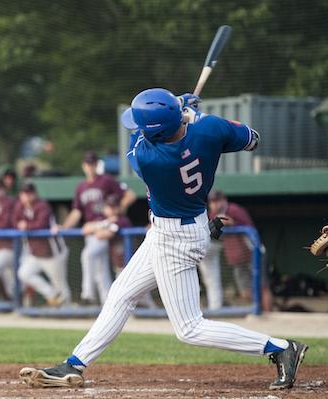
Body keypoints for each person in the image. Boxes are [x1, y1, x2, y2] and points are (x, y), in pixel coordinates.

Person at [20, 88, 307, 390]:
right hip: (178, 226)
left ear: (155, 132)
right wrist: (193, 116)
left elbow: (141, 139)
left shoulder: (149, 159)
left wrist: (182, 111)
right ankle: (75, 364)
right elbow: (252, 139)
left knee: (189, 328)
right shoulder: (209, 129)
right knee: (121, 293)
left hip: (176, 238)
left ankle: (279, 347)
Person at [53, 151, 136, 305]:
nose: (90, 167)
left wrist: (118, 211)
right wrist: (64, 226)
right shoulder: (81, 187)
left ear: (97, 165)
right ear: (84, 166)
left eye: (93, 163)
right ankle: (109, 305)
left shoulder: (107, 180)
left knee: (88, 255)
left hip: (105, 228)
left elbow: (130, 195)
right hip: (92, 230)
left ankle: (87, 292)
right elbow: (77, 212)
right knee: (101, 272)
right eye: (88, 164)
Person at [199, 191, 273, 311]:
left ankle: (269, 315)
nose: (215, 204)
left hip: (253, 253)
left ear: (224, 200)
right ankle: (259, 309)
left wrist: (228, 222)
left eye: (217, 201)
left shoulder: (234, 209)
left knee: (262, 287)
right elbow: (213, 232)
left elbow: (245, 225)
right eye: (212, 202)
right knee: (245, 292)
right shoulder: (212, 215)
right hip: (238, 258)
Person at [14, 183, 70, 307]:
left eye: (29, 193)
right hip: (35, 254)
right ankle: (51, 293)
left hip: (52, 253)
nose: (27, 196)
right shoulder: (20, 207)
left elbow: (41, 224)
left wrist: (26, 226)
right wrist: (21, 225)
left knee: (60, 285)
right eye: (24, 194)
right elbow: (15, 221)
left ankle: (67, 311)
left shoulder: (42, 205)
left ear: (34, 193)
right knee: (24, 273)